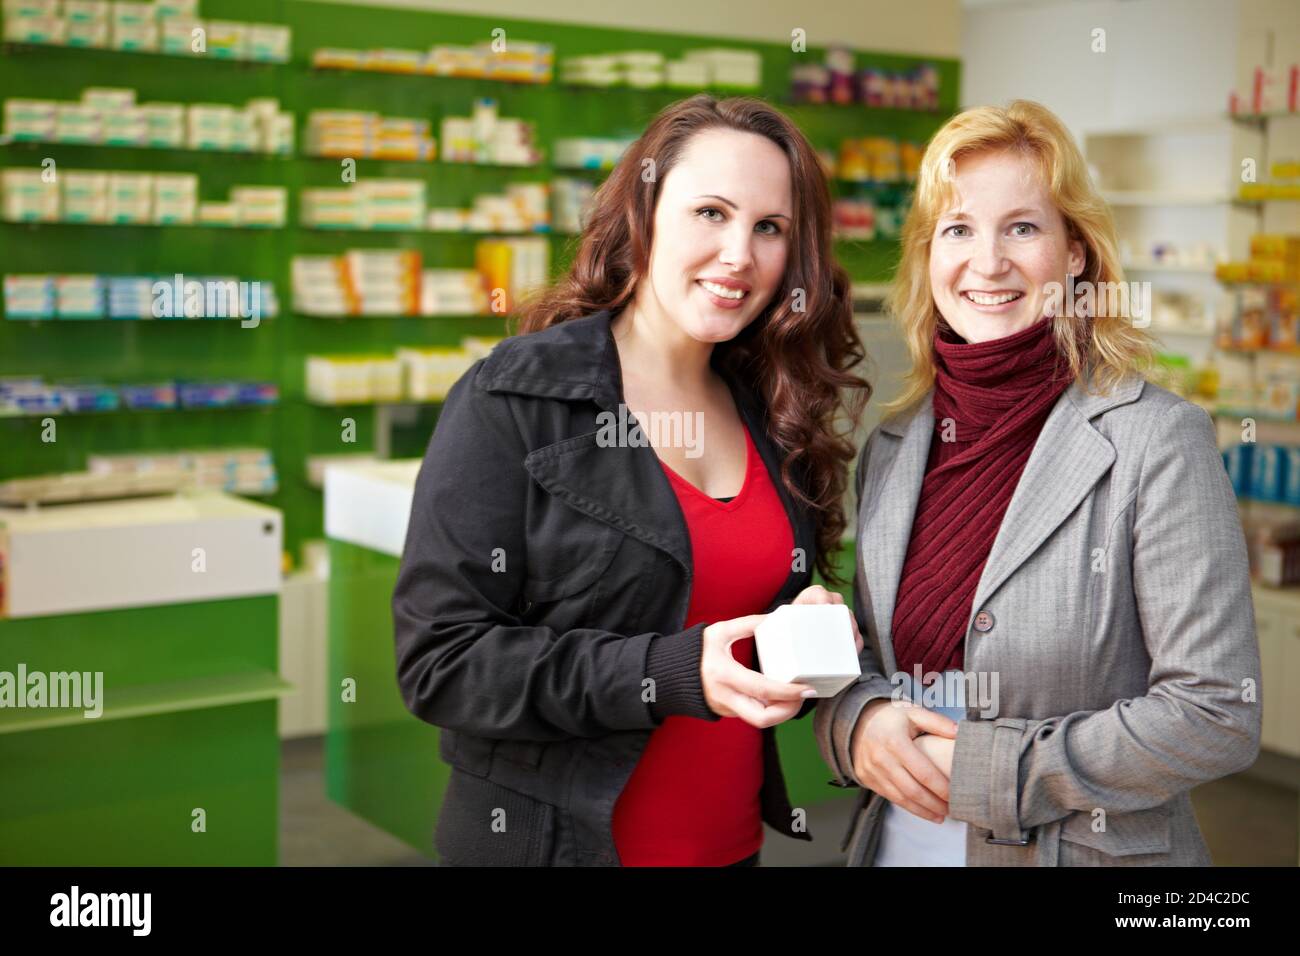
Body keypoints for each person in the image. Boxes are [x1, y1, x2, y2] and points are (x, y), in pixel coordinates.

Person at [392, 94, 869, 866]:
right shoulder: (515, 396)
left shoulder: (771, 408)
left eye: (769, 227)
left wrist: (801, 630)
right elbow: (443, 664)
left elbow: (731, 624)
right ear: (643, 215)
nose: (738, 255)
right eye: (710, 213)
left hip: (729, 847)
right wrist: (663, 672)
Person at [815, 99, 1261, 866]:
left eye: (1022, 227)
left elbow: (1216, 712)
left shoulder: (1155, 438)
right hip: (897, 845)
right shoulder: (895, 442)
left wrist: (1002, 772)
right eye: (957, 230)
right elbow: (869, 669)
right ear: (928, 255)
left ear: (1076, 252)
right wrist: (854, 719)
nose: (987, 263)